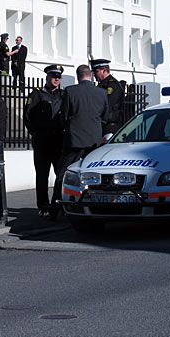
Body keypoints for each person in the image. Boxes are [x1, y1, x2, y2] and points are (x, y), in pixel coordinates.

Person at [50, 64, 108, 219]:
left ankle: (55, 210)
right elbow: (105, 117)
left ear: (78, 76)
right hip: (94, 141)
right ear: (90, 76)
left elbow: (64, 116)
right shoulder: (102, 93)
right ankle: (96, 205)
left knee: (64, 173)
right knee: (95, 175)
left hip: (74, 139)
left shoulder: (71, 91)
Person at [24, 64, 64, 216]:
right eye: (54, 76)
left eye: (58, 77)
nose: (56, 79)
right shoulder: (37, 94)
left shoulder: (62, 95)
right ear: (47, 77)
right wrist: (35, 133)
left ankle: (58, 205)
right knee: (42, 175)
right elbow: (27, 116)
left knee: (60, 174)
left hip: (58, 140)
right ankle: (43, 206)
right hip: (42, 141)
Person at [91, 58, 124, 135]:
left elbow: (108, 106)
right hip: (101, 124)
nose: (94, 74)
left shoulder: (112, 86)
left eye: (96, 71)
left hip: (110, 126)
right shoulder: (102, 84)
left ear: (104, 70)